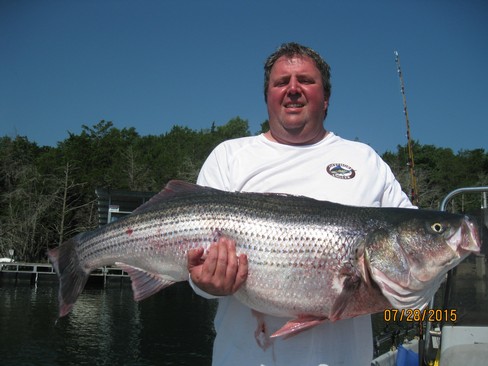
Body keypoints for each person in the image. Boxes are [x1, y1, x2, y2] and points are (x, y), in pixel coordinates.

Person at [187, 42, 415, 366]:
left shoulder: (364, 160)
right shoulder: (229, 157)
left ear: (327, 97)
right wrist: (206, 284)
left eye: (306, 80)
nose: (293, 89)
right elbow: (196, 272)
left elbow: (411, 256)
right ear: (268, 96)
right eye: (281, 82)